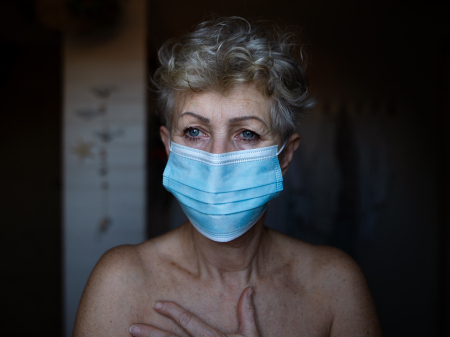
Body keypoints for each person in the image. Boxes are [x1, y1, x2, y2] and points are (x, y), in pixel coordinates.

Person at [73, 16, 382, 337]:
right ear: (169, 147)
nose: (217, 156)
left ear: (285, 156)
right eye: (194, 131)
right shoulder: (120, 281)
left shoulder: (334, 285)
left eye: (246, 133)